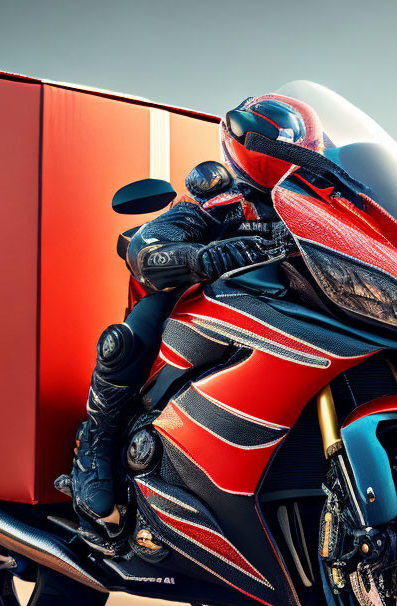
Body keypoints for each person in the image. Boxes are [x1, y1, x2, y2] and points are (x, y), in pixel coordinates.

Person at [58, 94, 325, 553]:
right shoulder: (218, 193)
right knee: (125, 340)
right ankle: (95, 452)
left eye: (293, 144)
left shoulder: (320, 202)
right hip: (205, 313)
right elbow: (149, 245)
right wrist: (199, 256)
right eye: (274, 142)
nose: (285, 151)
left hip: (289, 318)